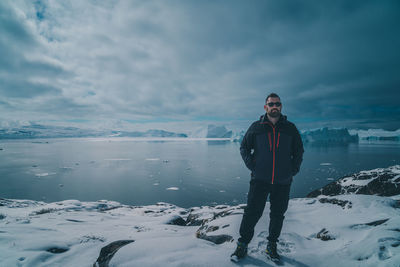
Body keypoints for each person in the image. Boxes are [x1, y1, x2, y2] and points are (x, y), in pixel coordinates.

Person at [231, 93, 304, 262]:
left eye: (277, 104)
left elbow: (298, 151)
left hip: (282, 181)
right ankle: (242, 244)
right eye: (271, 104)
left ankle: (271, 245)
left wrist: (292, 170)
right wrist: (252, 166)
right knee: (252, 213)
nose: (274, 106)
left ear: (281, 106)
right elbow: (244, 147)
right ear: (266, 107)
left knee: (278, 214)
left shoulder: (290, 128)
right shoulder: (256, 127)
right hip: (260, 180)